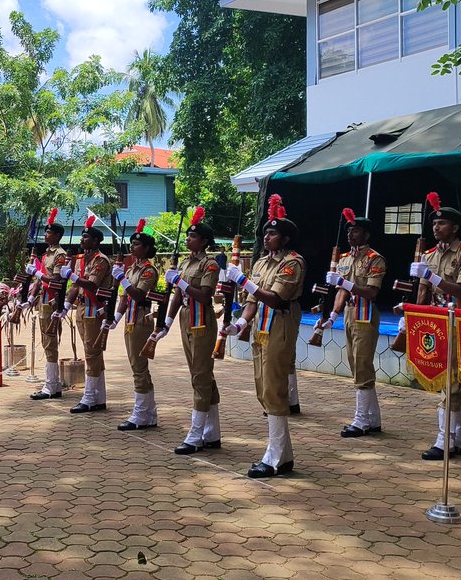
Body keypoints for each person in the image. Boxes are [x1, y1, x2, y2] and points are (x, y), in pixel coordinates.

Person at [223, 195, 304, 478]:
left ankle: (275, 457)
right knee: (262, 388)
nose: (266, 237)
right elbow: (252, 302)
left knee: (274, 388)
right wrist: (240, 324)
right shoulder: (259, 263)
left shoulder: (292, 263)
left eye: (272, 233)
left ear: (284, 239)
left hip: (280, 325)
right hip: (260, 328)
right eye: (265, 232)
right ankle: (283, 453)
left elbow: (276, 298)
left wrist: (242, 279)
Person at [409, 203, 461, 460]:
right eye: (433, 224)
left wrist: (432, 276)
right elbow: (423, 291)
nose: (436, 227)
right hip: (435, 321)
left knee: (450, 380)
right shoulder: (428, 254)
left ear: (455, 227)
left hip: (457, 319)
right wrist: (411, 317)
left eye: (441, 224)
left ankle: (445, 440)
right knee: (446, 379)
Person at [149, 208, 221, 455]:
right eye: (188, 236)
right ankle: (212, 432)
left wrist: (179, 281)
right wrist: (166, 323)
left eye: (193, 237)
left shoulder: (209, 264)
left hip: (202, 320)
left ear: (204, 241)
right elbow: (178, 296)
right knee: (200, 374)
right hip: (185, 318)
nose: (188, 240)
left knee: (200, 376)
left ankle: (196, 434)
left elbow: (204, 295)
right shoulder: (186, 262)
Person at [319, 210, 386, 438]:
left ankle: (361, 420)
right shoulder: (345, 259)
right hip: (349, 314)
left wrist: (346, 284)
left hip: (365, 315)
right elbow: (341, 292)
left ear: (366, 234)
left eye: (355, 230)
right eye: (349, 230)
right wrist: (333, 315)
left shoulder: (375, 259)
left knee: (361, 364)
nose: (350, 234)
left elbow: (372, 292)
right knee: (356, 364)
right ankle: (373, 419)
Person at [103, 222, 160, 430]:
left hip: (141, 321)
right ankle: (148, 412)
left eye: (136, 244)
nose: (132, 247)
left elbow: (138, 295)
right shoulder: (131, 268)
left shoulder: (148, 270)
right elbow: (124, 299)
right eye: (132, 243)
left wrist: (122, 279)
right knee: (136, 366)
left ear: (146, 248)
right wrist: (116, 318)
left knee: (139, 367)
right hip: (129, 322)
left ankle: (141, 413)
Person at [54, 217, 113, 413]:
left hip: (93, 310)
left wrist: (70, 275)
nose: (82, 239)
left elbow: (92, 285)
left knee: (92, 352)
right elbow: (75, 287)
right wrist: (66, 305)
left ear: (96, 241)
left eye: (86, 237)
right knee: (92, 352)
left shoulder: (100, 260)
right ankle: (99, 396)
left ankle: (89, 397)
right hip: (81, 308)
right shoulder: (82, 260)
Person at [22, 218, 69, 400]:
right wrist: (30, 298)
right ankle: (53, 383)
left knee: (50, 342)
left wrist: (38, 273)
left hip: (52, 301)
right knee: (46, 340)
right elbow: (39, 280)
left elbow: (56, 282)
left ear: (57, 236)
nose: (45, 234)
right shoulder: (46, 254)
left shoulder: (60, 255)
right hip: (43, 300)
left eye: (49, 232)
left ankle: (51, 386)